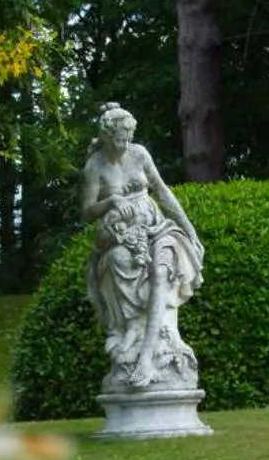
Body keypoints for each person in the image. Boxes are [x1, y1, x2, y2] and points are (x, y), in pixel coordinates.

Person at [81, 103, 204, 391]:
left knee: (161, 272)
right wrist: (111, 201)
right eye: (119, 140)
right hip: (121, 235)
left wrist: (190, 230)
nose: (125, 145)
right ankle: (132, 330)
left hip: (158, 229)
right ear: (106, 136)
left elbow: (162, 191)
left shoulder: (139, 154)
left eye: (128, 138)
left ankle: (147, 358)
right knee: (117, 261)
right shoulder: (94, 166)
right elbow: (86, 212)